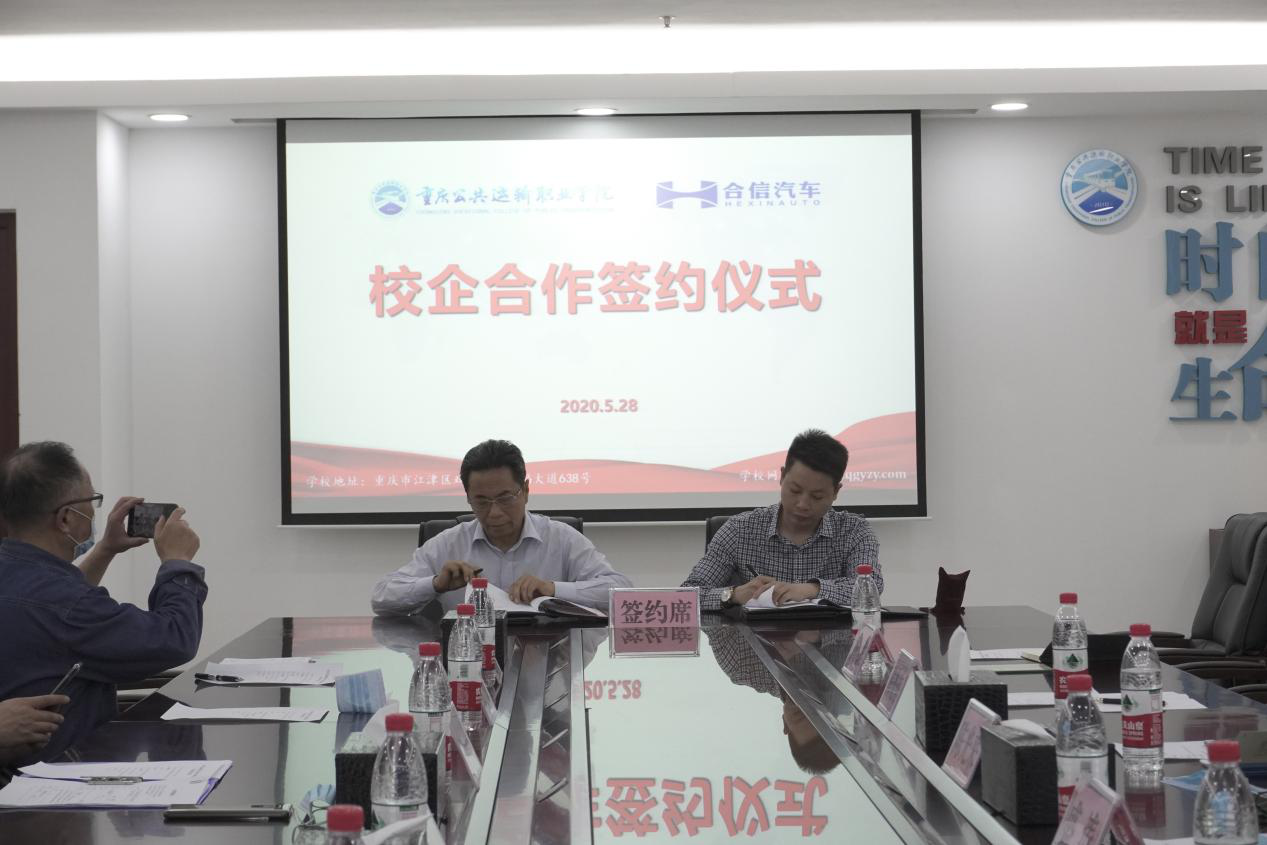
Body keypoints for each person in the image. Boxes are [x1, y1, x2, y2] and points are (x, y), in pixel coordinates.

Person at [0, 441, 206, 762]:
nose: (95, 511)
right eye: (91, 500)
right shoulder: (67, 604)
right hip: (55, 782)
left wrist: (105, 549)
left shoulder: (32, 584)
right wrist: (177, 563)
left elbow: (49, 606)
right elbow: (173, 639)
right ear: (66, 518)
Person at [372, 439, 632, 615]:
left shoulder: (562, 539)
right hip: (468, 666)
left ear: (526, 491)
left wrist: (553, 589)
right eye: (481, 501)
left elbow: (621, 592)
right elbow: (382, 598)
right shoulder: (449, 543)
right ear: (468, 498)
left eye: (505, 498)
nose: (494, 512)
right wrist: (436, 584)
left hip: (549, 663)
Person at [682, 428, 880, 610]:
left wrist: (810, 589)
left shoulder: (854, 531)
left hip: (830, 637)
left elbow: (871, 586)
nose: (802, 504)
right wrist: (733, 595)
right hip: (754, 637)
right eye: (795, 490)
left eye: (816, 496)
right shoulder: (739, 530)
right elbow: (687, 596)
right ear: (782, 476)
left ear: (836, 491)